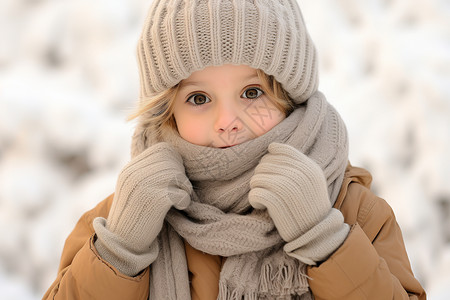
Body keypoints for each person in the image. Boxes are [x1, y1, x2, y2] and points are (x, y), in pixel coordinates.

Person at [43, 0, 426, 299]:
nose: (227, 120)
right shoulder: (121, 220)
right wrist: (119, 253)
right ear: (166, 110)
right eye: (198, 98)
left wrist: (325, 241)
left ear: (289, 96)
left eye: (252, 92)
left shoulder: (351, 211)